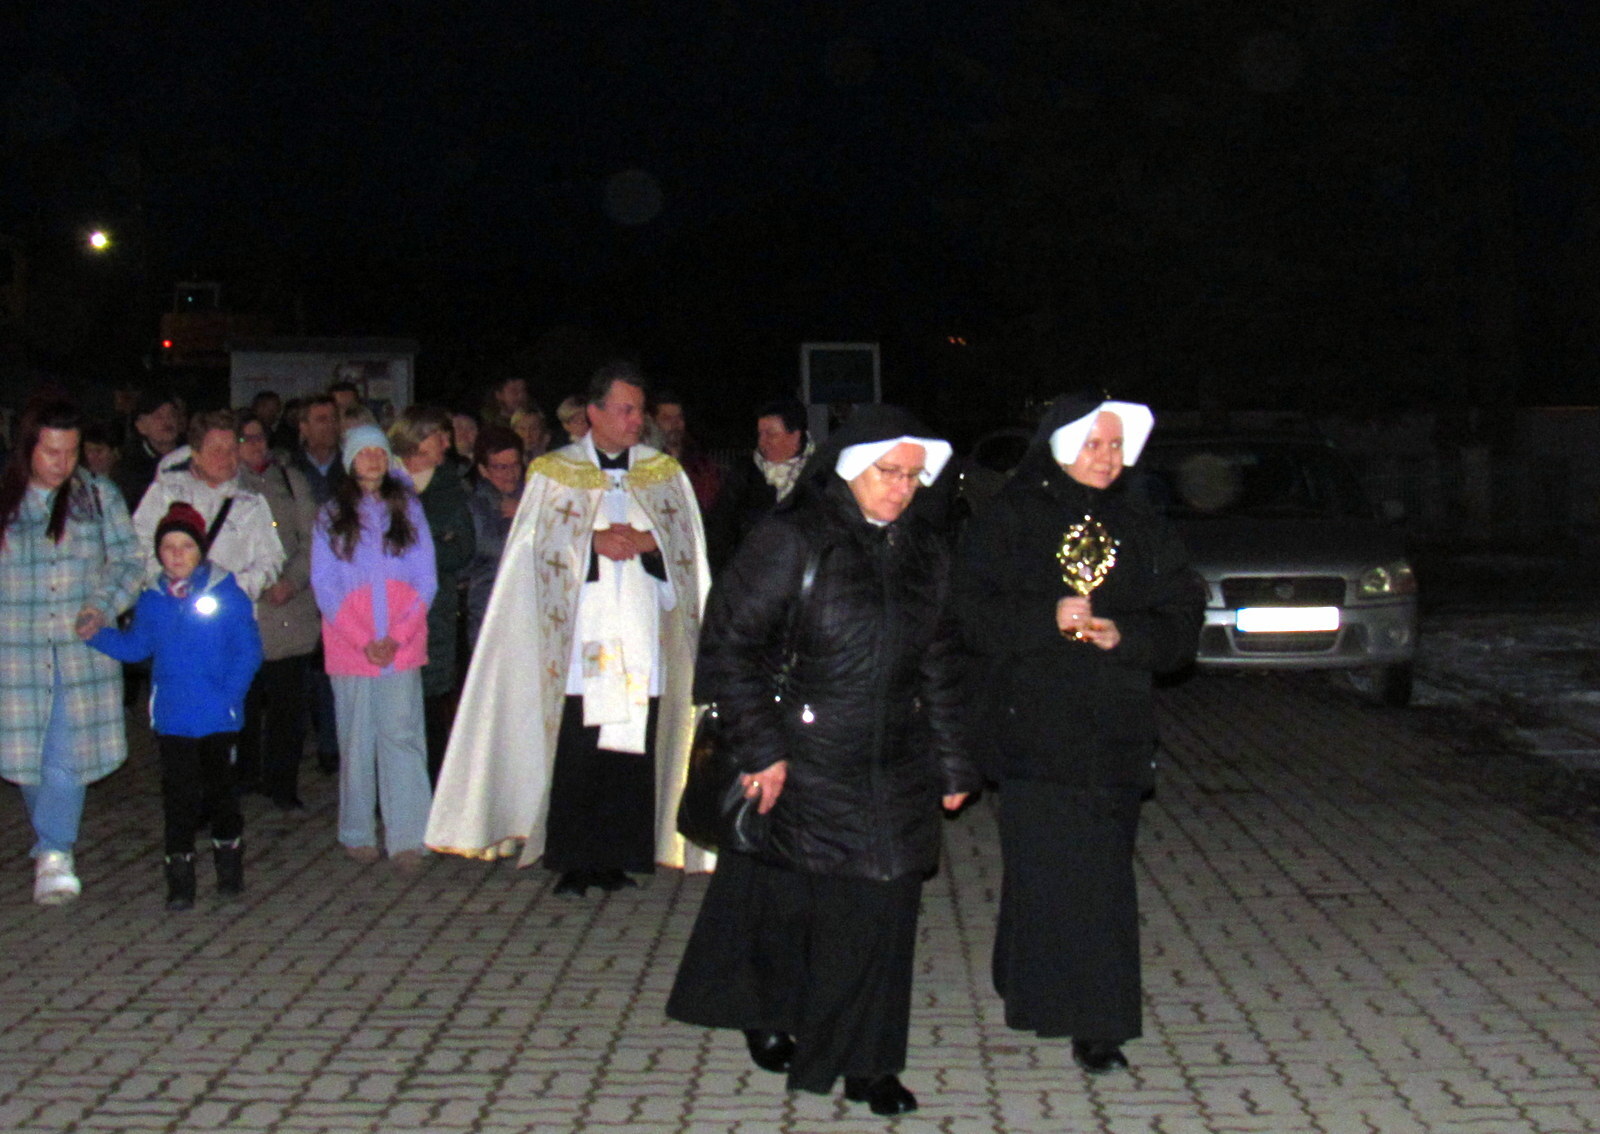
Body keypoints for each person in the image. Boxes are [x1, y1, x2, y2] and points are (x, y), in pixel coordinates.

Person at [666, 404, 980, 1116]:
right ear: (849, 468)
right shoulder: (793, 539)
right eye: (888, 472)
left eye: (913, 476)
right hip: (805, 755)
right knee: (804, 910)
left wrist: (956, 762)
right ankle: (777, 1013)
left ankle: (872, 1064)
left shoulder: (925, 550)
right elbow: (730, 646)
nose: (901, 488)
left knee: (888, 910)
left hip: (896, 756)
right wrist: (763, 748)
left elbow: (939, 659)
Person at [954, 392, 1204, 1075]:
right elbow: (969, 614)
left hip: (1115, 725)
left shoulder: (1140, 520)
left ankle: (1092, 1015)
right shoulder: (1010, 516)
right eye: (1094, 444)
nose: (1107, 458)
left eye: (1116, 446)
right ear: (1062, 445)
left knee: (1100, 873)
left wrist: (1129, 635)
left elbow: (1183, 611)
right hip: (1033, 722)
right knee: (1049, 864)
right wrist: (1046, 618)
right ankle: (1074, 1008)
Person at [426, 360, 712, 890]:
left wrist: (650, 543)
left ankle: (622, 854)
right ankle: (575, 860)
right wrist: (591, 542)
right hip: (581, 631)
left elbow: (688, 550)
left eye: (639, 411)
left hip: (642, 628)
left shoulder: (664, 473)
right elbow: (532, 549)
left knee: (635, 740)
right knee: (581, 743)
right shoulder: (554, 472)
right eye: (625, 410)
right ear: (594, 413)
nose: (635, 420)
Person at [1, 398, 145, 905]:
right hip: (16, 652)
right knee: (28, 754)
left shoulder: (99, 497)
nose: (61, 463)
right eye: (51, 452)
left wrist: (102, 606)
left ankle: (54, 851)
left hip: (78, 651)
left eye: (71, 451)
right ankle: (50, 842)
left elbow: (129, 561)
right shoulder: (7, 499)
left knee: (65, 751)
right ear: (28, 448)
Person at [88, 502, 263, 909]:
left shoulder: (227, 594)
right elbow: (137, 647)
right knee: (178, 797)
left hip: (218, 716)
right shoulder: (153, 600)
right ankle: (180, 877)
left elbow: (248, 650)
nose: (178, 555)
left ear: (200, 551)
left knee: (221, 793)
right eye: (168, 547)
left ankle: (229, 864)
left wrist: (229, 695)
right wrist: (97, 635)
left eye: (186, 546)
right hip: (173, 717)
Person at [311, 425, 436, 869]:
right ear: (350, 461)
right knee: (356, 739)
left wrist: (397, 635)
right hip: (352, 647)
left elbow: (425, 578)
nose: (373, 459)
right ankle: (357, 830)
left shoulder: (409, 510)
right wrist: (363, 638)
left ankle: (409, 835)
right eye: (363, 452)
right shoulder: (331, 515)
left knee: (402, 736)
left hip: (401, 645)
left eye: (379, 452)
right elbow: (325, 584)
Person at [236, 411, 321, 809]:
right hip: (245, 611)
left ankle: (282, 780)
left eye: (260, 437)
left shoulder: (290, 480)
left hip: (288, 609)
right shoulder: (228, 484)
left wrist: (292, 580)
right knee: (245, 700)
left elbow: (312, 538)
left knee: (288, 703)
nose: (255, 445)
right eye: (245, 438)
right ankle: (243, 773)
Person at [388, 406, 476, 785]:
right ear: (417, 438)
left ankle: (432, 784)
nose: (446, 444)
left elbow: (463, 548)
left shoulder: (451, 486)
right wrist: (431, 544)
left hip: (435, 609)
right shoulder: (384, 483)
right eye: (439, 435)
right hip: (390, 608)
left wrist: (417, 551)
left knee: (431, 698)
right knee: (394, 701)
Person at [132, 409, 285, 603]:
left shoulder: (252, 503)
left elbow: (271, 560)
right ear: (196, 454)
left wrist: (234, 588)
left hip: (227, 607)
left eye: (231, 450)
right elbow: (139, 543)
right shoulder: (166, 493)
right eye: (216, 450)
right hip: (170, 603)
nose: (226, 458)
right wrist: (169, 583)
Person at [288, 394, 346, 774]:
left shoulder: (349, 469)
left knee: (331, 662)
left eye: (333, 419)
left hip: (341, 575)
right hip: (301, 575)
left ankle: (331, 743)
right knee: (305, 665)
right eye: (320, 419)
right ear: (304, 427)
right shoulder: (289, 470)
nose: (329, 426)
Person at [707, 397, 813, 572]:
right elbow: (720, 531)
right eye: (760, 434)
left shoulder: (817, 476)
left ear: (795, 436)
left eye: (770, 434)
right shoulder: (745, 474)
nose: (762, 442)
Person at [462, 425, 524, 652]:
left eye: (515, 465)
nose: (510, 473)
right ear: (483, 470)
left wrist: (527, 511)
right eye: (501, 467)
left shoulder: (533, 496)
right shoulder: (473, 504)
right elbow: (491, 548)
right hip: (490, 607)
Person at [653, 391, 723, 519]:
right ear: (654, 423)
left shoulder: (701, 465)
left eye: (679, 418)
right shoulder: (645, 463)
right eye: (667, 419)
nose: (675, 424)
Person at [113, 389, 182, 511]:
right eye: (158, 416)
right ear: (141, 426)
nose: (167, 421)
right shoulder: (129, 468)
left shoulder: (192, 458)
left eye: (172, 415)